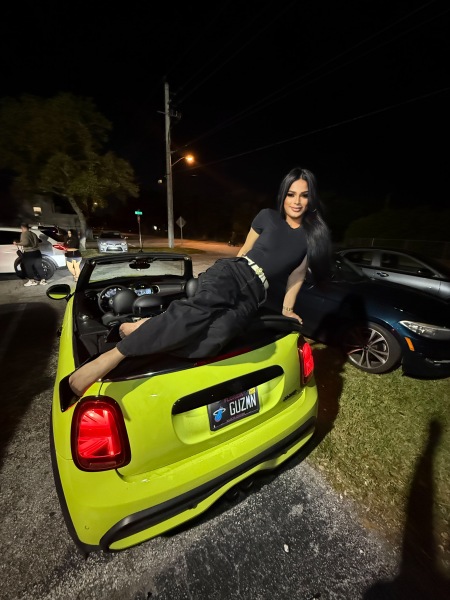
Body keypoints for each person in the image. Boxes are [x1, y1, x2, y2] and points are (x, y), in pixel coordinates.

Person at [69, 166, 332, 396]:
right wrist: (233, 275)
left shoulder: (309, 238)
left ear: (311, 198)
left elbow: (297, 275)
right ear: (283, 194)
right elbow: (244, 251)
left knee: (215, 339)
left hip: (253, 295)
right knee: (197, 313)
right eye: (291, 194)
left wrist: (288, 309)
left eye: (304, 195)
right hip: (235, 273)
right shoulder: (267, 217)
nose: (297, 201)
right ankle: (113, 356)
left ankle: (147, 326)